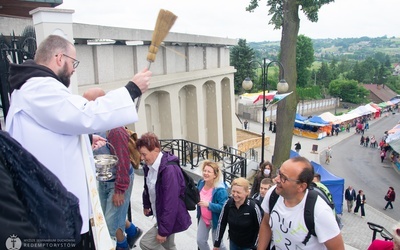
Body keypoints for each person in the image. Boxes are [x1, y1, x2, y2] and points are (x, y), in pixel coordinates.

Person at [5, 34, 152, 248]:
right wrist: (132, 89)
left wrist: (86, 140)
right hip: (54, 211)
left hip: (52, 205)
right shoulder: (39, 87)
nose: (73, 69)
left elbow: (56, 126)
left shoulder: (32, 87)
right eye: (73, 62)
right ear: (58, 57)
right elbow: (86, 114)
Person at [83, 88, 142, 250]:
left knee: (109, 224)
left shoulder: (114, 129)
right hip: (105, 179)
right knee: (112, 215)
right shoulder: (94, 125)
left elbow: (123, 163)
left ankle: (122, 246)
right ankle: (133, 231)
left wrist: (120, 191)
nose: (85, 107)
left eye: (88, 103)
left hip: (118, 181)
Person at [258, 156, 344, 250]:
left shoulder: (320, 212)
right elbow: (266, 223)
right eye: (279, 173)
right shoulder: (273, 194)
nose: (276, 179)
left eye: (284, 178)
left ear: (301, 187)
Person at [137, 132, 191, 250]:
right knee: (168, 245)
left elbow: (170, 202)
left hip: (169, 216)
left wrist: (163, 231)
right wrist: (146, 204)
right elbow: (147, 187)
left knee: (146, 243)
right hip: (162, 215)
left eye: (144, 154)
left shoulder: (169, 170)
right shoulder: (149, 166)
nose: (142, 158)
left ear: (155, 150)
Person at [213, 177, 262, 250]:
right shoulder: (228, 204)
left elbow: (260, 228)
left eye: (238, 192)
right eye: (233, 191)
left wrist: (254, 246)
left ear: (246, 193)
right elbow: (222, 223)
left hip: (248, 246)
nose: (235, 195)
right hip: (233, 243)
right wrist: (217, 243)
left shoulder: (253, 207)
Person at [196, 161, 229, 250]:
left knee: (218, 245)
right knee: (200, 241)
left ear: (215, 175)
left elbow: (223, 207)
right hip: (204, 218)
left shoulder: (220, 190)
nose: (205, 173)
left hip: (216, 220)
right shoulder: (201, 183)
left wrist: (209, 205)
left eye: (209, 172)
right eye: (204, 171)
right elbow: (196, 193)